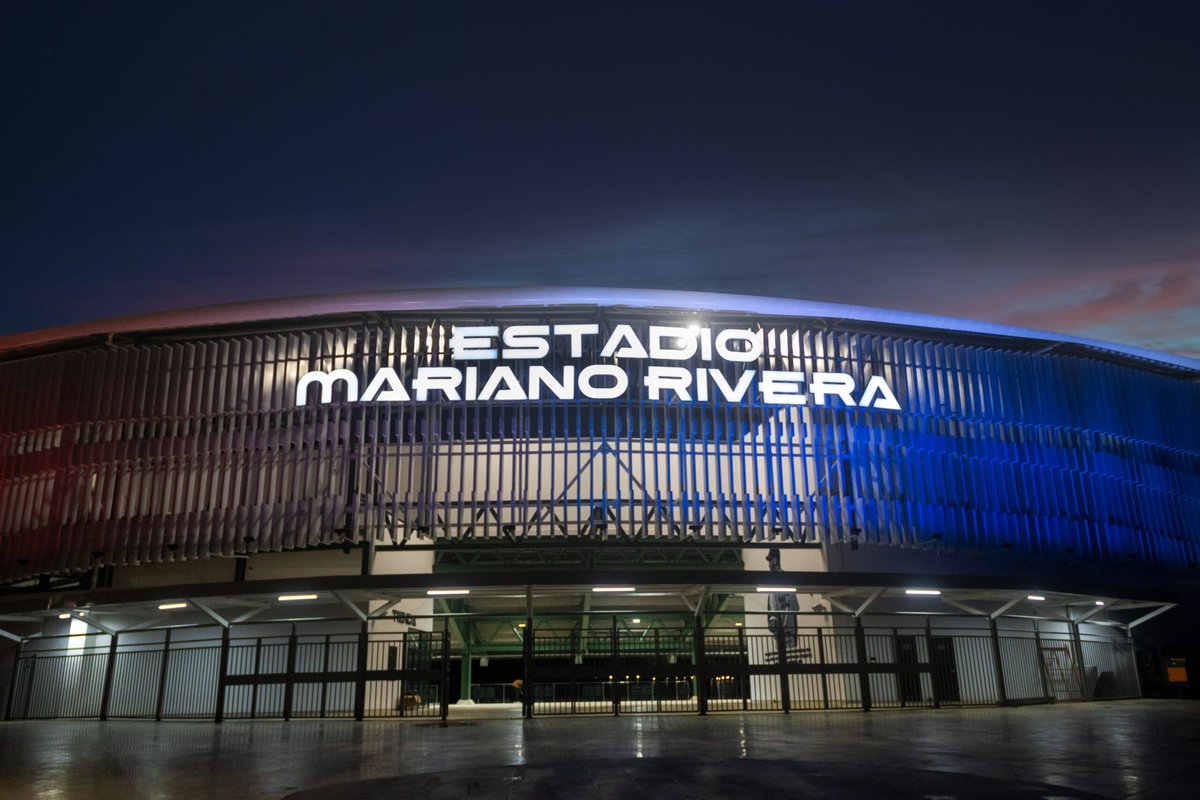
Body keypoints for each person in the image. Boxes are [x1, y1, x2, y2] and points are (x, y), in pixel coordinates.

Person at [765, 547, 799, 649]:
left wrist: (773, 620)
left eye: (770, 560)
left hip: (780, 633)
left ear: (775, 560)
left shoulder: (773, 582)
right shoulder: (788, 580)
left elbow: (773, 607)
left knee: (782, 658)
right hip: (791, 633)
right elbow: (796, 607)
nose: (769, 564)